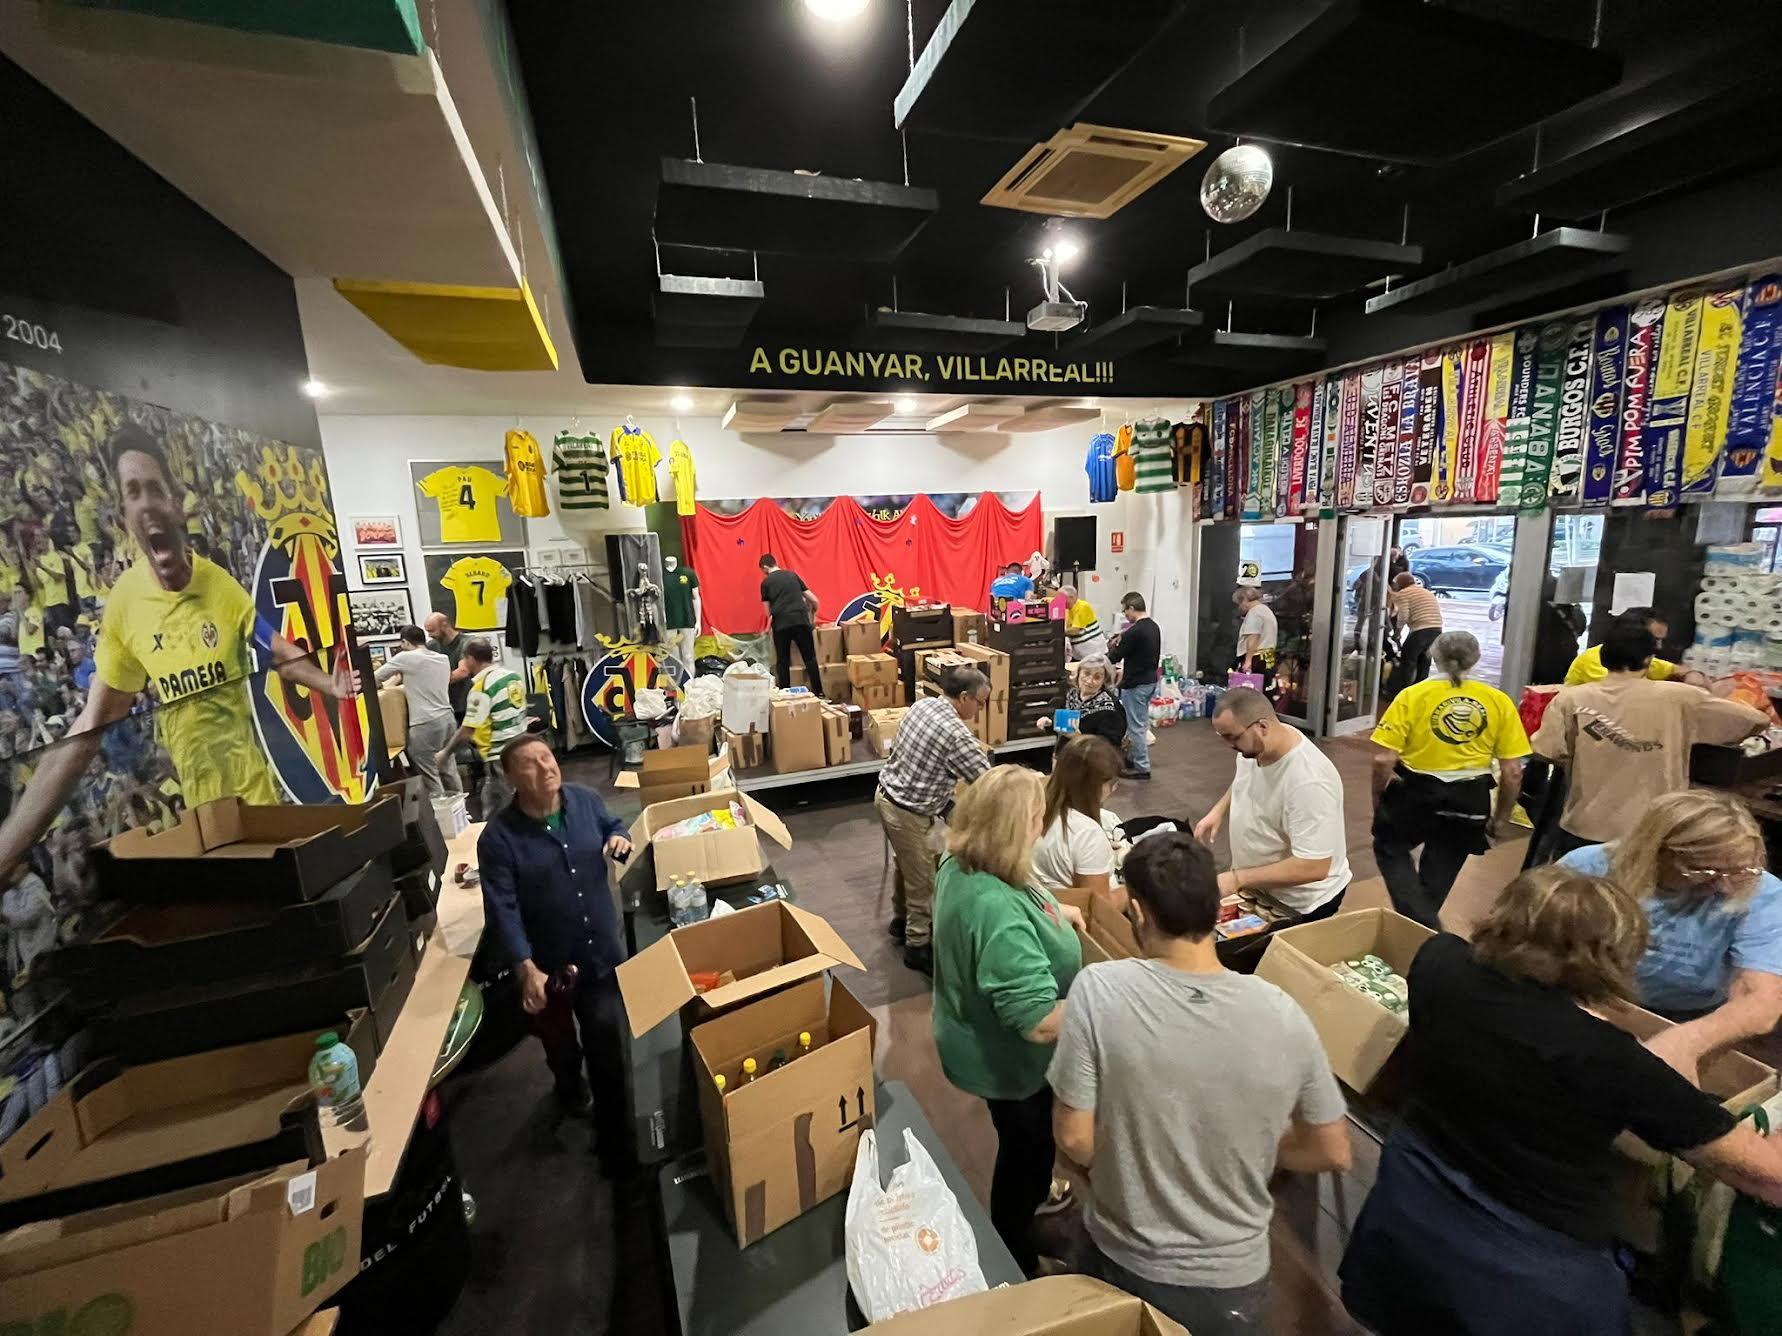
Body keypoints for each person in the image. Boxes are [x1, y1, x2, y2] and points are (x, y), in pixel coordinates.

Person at [1339, 867, 1782, 1335]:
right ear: (1611, 958)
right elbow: (1765, 1174)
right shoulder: (1612, 1059)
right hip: (1528, 1261)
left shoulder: (1439, 961)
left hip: (1410, 1202)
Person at [0, 426, 354, 875]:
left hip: (255, 798)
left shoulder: (220, 585)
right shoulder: (126, 602)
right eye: (133, 492)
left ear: (176, 500)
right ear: (123, 513)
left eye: (154, 488)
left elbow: (279, 651)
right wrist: (9, 846)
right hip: (198, 814)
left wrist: (330, 684)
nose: (146, 502)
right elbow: (90, 725)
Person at [1051, 832, 1351, 1335]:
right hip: (1232, 1284)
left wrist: (1133, 1158)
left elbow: (1074, 1138)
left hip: (1120, 1252)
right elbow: (1333, 1150)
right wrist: (1259, 1147)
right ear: (1215, 909)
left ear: (1139, 913)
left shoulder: (1100, 990)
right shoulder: (1282, 1013)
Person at [931, 765, 1083, 1276]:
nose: (1043, 825)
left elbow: (1023, 890)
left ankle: (1034, 1193)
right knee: (1027, 1146)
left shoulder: (963, 860)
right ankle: (1014, 1253)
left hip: (973, 1033)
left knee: (1025, 1140)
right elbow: (1037, 1020)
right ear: (1018, 829)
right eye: (1037, 817)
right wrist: (1106, 998)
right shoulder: (996, 913)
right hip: (1008, 1061)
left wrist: (1056, 912)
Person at [477, 735, 635, 1168]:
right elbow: (503, 909)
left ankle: (616, 1148)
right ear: (510, 777)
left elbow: (613, 824)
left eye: (547, 757)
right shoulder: (498, 839)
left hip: (598, 954)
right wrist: (526, 968)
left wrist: (618, 837)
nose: (545, 767)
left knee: (606, 1044)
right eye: (530, 764)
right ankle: (569, 1089)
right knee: (561, 1045)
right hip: (547, 968)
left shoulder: (585, 800)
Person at [1559, 791, 1782, 1061]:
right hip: (1587, 992)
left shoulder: (1765, 894)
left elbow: (1762, 999)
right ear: (1655, 852)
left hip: (1688, 1015)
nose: (1724, 886)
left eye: (1739, 872)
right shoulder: (1587, 867)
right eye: (1703, 872)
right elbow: (1529, 945)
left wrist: (1686, 1042)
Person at [1532, 620, 1766, 854]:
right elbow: (1755, 720)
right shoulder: (1681, 698)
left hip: (1587, 825)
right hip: (1655, 829)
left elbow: (1545, 750)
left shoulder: (1571, 699)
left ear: (1603, 658)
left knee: (1579, 876)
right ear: (1648, 660)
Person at [1370, 632, 1529, 928]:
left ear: (1435, 656)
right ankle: (1420, 933)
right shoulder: (1498, 701)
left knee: (1390, 846)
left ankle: (1424, 927)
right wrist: (1501, 818)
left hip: (1415, 793)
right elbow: (1512, 772)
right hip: (1469, 800)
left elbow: (1384, 760)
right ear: (1476, 659)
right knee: (1438, 874)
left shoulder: (1412, 695)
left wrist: (1378, 797)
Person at [1196, 687, 1349, 931]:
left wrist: (1237, 878)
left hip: (1301, 905)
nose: (1229, 745)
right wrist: (1219, 809)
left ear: (1262, 726)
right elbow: (1245, 779)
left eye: (1232, 737)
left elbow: (1315, 866)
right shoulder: (1258, 745)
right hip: (1261, 888)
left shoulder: (1309, 782)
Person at [875, 665, 993, 974]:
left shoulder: (923, 705)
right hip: (908, 811)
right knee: (924, 881)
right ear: (964, 697)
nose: (981, 711)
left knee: (907, 865)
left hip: (888, 795)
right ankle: (917, 945)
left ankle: (900, 921)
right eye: (981, 703)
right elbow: (989, 784)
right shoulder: (957, 736)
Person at [437, 638, 530, 820]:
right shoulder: (512, 677)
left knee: (497, 810)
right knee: (519, 799)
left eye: (464, 658)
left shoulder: (482, 688)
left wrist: (445, 753)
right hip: (521, 747)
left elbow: (467, 731)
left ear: (470, 659)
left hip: (500, 756)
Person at [375, 624, 460, 798]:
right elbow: (423, 680)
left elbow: (374, 678)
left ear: (405, 642)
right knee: (448, 767)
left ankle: (440, 809)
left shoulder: (405, 657)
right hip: (448, 719)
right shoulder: (442, 658)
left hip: (425, 722)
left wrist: (385, 685)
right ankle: (460, 808)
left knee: (429, 772)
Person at [1031, 735, 1122, 897]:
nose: (1114, 789)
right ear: (1098, 786)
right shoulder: (1087, 835)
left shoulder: (1033, 810)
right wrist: (1130, 891)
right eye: (1113, 784)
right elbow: (1099, 906)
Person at [1564, 606, 1705, 686]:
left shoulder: (1644, 661)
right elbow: (1624, 691)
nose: (1659, 646)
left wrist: (1693, 676)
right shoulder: (1595, 660)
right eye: (1655, 639)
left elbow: (1679, 670)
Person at [1106, 592, 1159, 781]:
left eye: (1125, 611)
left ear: (1131, 607)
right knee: (1139, 723)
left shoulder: (1134, 632)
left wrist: (1111, 647)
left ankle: (1142, 768)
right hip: (1150, 681)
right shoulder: (1153, 627)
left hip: (1136, 684)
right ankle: (1132, 757)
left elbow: (1114, 656)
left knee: (1136, 727)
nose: (1124, 615)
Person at [757, 554, 821, 692]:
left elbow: (768, 612)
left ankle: (785, 693)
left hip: (781, 624)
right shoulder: (792, 575)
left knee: (783, 661)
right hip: (801, 620)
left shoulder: (766, 583)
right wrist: (813, 615)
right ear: (775, 563)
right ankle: (819, 692)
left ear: (765, 567)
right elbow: (814, 600)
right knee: (810, 658)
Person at [1039, 654, 1124, 750]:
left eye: (1097, 677)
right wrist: (1050, 724)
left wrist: (1080, 738)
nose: (1089, 681)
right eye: (1086, 673)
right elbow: (1062, 726)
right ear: (1079, 672)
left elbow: (1111, 745)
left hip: (1090, 758)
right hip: (1064, 754)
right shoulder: (1071, 694)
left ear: (1104, 680)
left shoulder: (1111, 707)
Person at [1384, 572, 1442, 698]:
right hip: (1436, 629)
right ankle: (1420, 692)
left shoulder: (1404, 593)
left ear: (1401, 584)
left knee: (1407, 661)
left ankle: (1398, 693)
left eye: (1396, 583)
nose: (1395, 586)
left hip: (1421, 630)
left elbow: (1403, 616)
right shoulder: (1425, 591)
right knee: (1424, 662)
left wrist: (1397, 633)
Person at [1231, 586, 1277, 696]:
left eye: (1239, 603)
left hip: (1256, 659)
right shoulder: (1266, 611)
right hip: (1268, 657)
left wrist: (1248, 661)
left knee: (1249, 694)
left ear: (1244, 599)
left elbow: (1254, 636)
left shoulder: (1254, 613)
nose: (1240, 607)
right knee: (1264, 692)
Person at [1061, 585, 1106, 660]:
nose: (1060, 601)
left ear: (1071, 597)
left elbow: (1075, 631)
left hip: (1093, 652)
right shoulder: (1069, 610)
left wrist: (1057, 632)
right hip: (1082, 653)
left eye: (1062, 598)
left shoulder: (1082, 607)